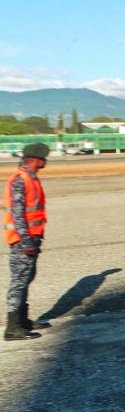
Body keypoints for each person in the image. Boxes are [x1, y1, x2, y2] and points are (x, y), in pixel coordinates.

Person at [4, 143, 51, 341]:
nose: (45, 161)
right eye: (44, 158)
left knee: (26, 278)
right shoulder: (20, 180)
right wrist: (25, 241)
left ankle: (23, 321)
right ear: (36, 159)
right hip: (23, 241)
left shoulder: (31, 178)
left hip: (32, 238)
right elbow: (17, 214)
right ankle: (13, 328)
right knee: (19, 281)